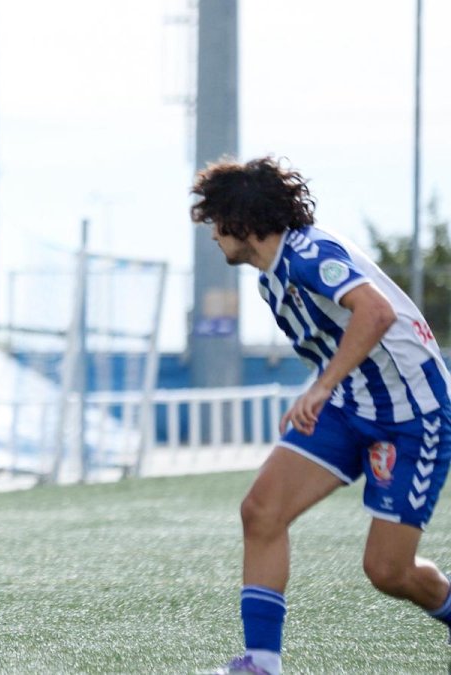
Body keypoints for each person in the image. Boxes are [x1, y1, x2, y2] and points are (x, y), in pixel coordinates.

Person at [191, 156, 451, 675]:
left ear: (240, 221)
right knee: (260, 512)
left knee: (387, 571)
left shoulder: (310, 253)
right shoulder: (273, 279)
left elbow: (375, 312)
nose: (213, 236)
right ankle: (262, 664)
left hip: (413, 419)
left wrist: (321, 387)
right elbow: (340, 344)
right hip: (349, 407)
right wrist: (321, 390)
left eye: (216, 223)